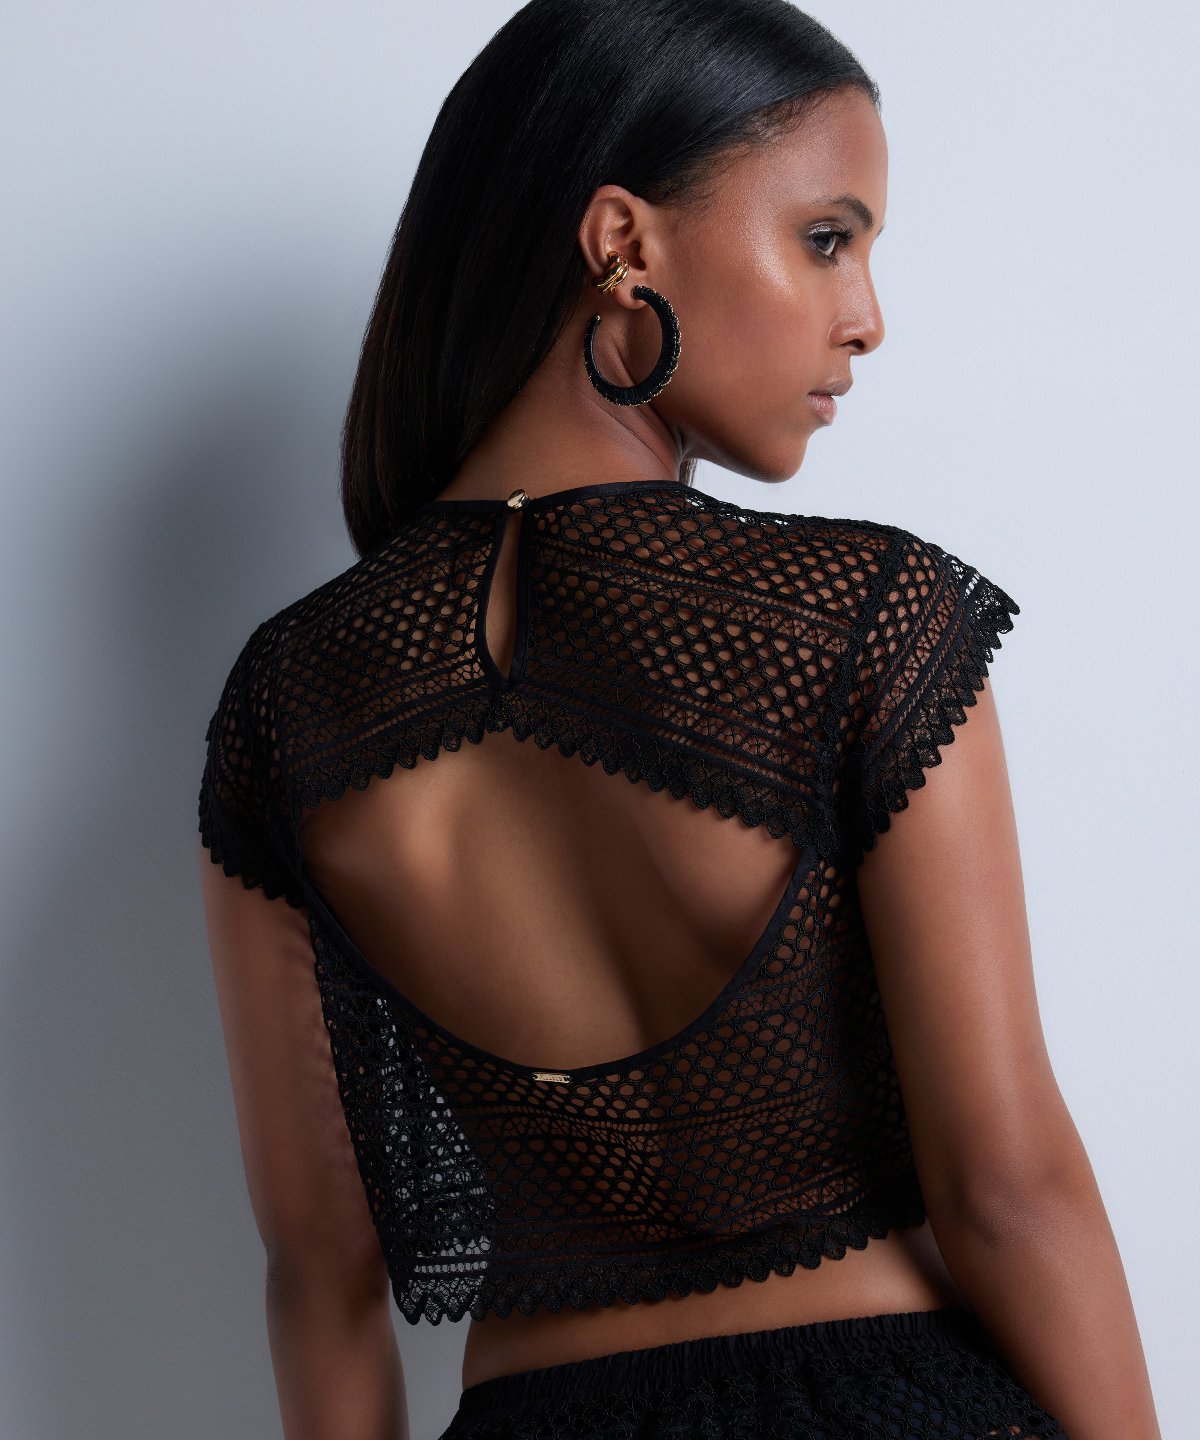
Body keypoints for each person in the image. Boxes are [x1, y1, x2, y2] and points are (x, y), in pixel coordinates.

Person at [196, 2, 1161, 1437]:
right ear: (623, 244)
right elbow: (1007, 1190)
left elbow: (321, 1276)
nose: (868, 317)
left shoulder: (289, 702)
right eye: (827, 239)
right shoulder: (862, 621)